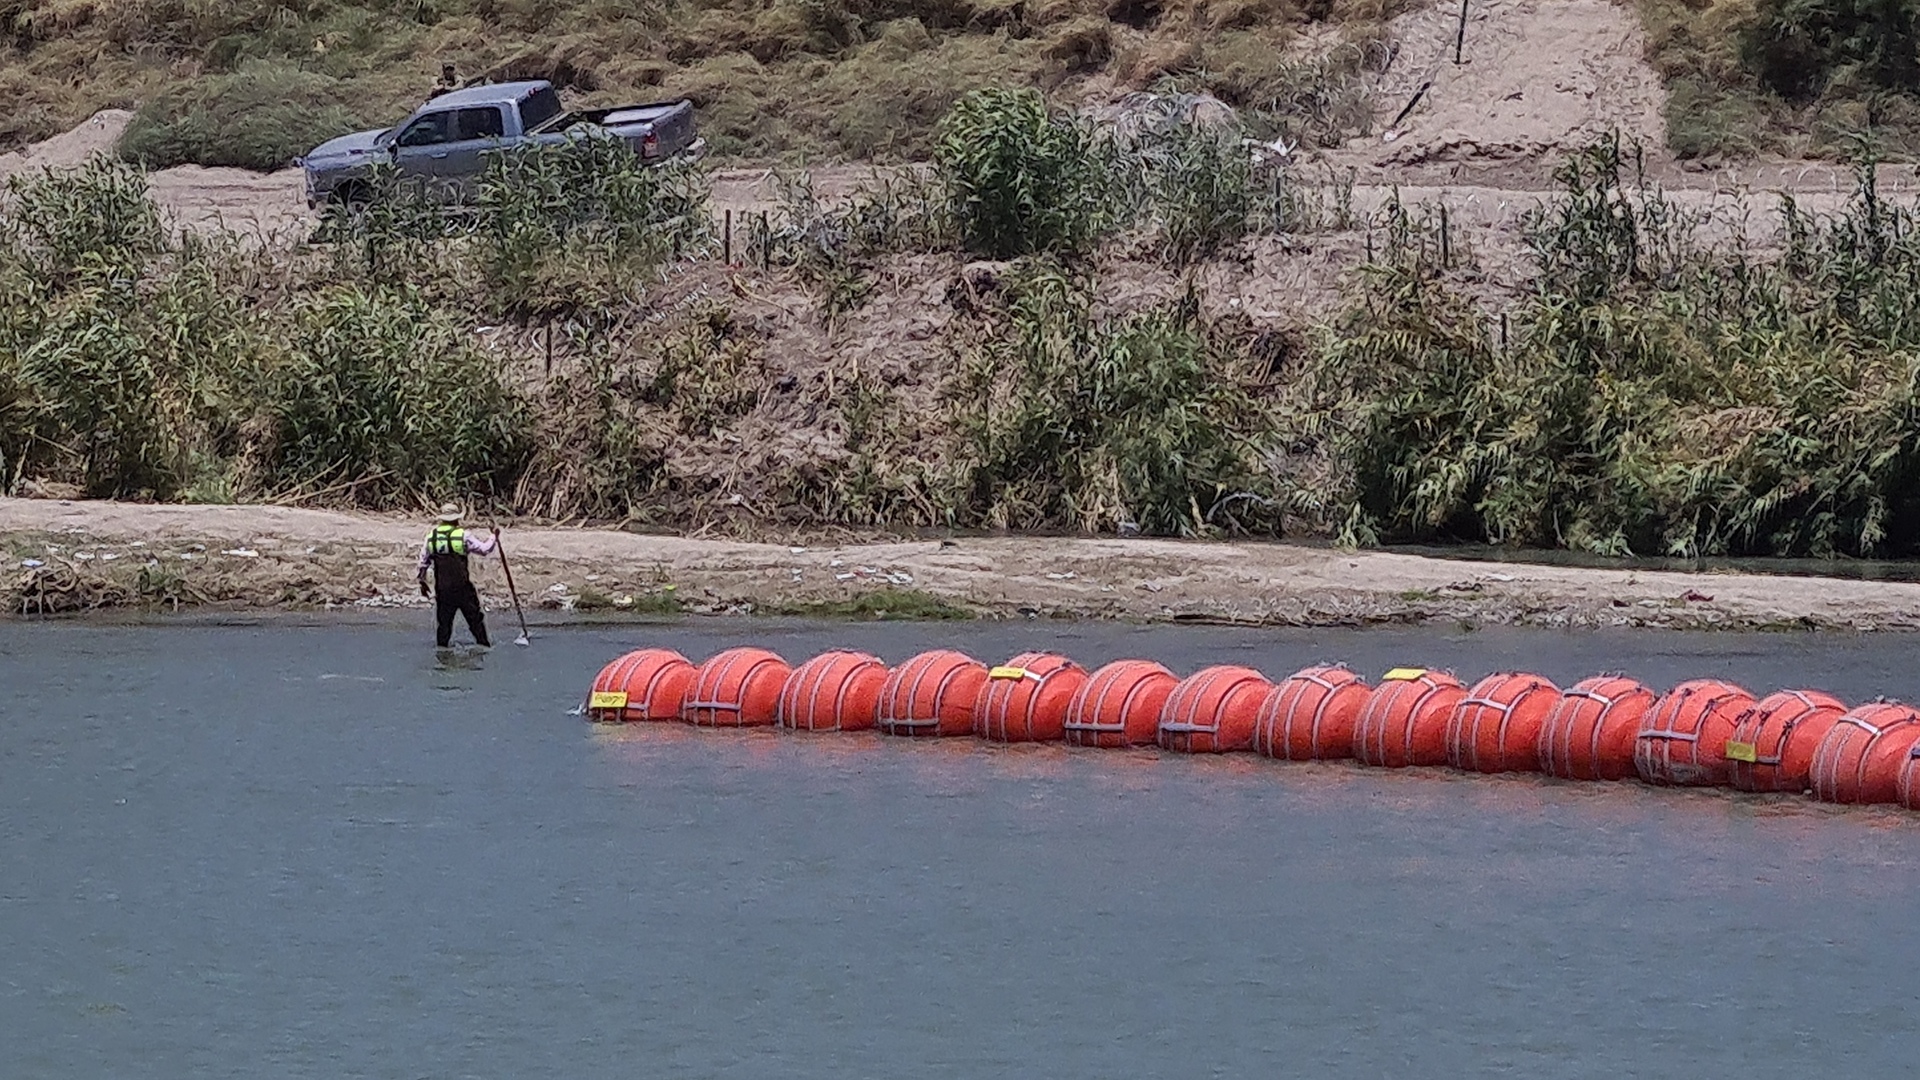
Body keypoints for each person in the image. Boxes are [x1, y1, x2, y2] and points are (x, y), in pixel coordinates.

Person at [417, 503, 496, 648]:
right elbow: (485, 549)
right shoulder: (463, 536)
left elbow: (423, 563)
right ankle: (484, 646)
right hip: (463, 588)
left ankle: (442, 652)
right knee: (475, 621)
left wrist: (422, 583)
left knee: (444, 625)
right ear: (457, 519)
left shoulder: (431, 538)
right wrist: (493, 536)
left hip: (443, 589)